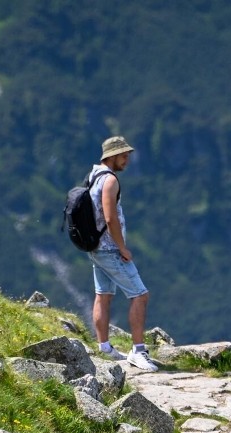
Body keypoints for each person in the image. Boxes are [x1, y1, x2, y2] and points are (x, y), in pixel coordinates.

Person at [86, 136, 158, 372]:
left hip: (95, 247)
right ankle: (138, 351)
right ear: (111, 156)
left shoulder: (93, 176)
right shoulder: (109, 181)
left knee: (103, 295)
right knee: (140, 295)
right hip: (110, 249)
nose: (127, 159)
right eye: (123, 155)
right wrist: (122, 247)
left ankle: (104, 348)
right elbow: (110, 218)